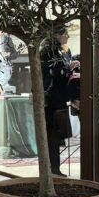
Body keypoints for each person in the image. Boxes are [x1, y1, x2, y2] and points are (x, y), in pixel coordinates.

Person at [39, 27, 77, 176]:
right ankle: (52, 169)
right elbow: (55, 73)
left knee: (56, 135)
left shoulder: (58, 50)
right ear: (57, 35)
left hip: (57, 98)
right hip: (52, 99)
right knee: (53, 136)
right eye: (65, 34)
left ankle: (54, 168)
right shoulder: (49, 50)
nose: (68, 36)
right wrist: (68, 69)